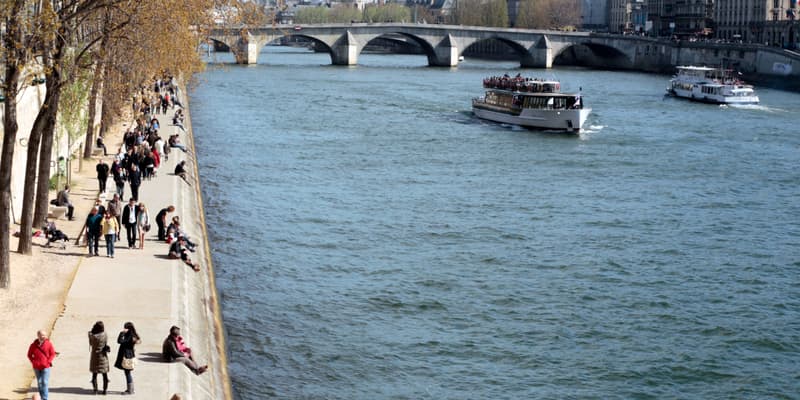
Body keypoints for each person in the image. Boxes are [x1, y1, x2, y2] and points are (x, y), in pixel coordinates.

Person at [27, 330, 56, 400]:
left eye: (44, 335)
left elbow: (53, 354)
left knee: (45, 382)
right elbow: (29, 354)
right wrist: (33, 361)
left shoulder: (48, 344)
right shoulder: (33, 345)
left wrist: (48, 362)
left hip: (46, 367)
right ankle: (41, 397)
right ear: (38, 336)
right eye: (42, 335)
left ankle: (45, 398)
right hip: (36, 367)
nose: (43, 336)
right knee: (39, 382)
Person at [114, 322, 141, 395]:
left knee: (127, 373)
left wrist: (121, 333)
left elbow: (119, 341)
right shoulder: (132, 334)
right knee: (127, 373)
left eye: (125, 328)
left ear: (128, 328)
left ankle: (130, 390)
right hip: (130, 355)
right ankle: (130, 389)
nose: (124, 329)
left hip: (127, 356)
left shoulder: (130, 335)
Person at [88, 321, 110, 395]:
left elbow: (91, 343)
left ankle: (95, 390)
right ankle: (105, 390)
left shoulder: (93, 336)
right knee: (105, 374)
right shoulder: (105, 335)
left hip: (95, 356)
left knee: (94, 374)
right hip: (103, 356)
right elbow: (106, 342)